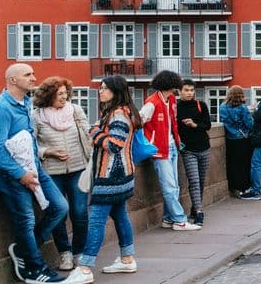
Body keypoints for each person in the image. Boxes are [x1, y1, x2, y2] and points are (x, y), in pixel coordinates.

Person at [0, 63, 69, 284]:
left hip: (34, 169)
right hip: (10, 175)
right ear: (12, 80)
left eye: (32, 74)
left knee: (60, 207)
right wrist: (21, 174)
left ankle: (23, 250)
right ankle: (33, 269)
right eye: (28, 74)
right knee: (26, 221)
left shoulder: (25, 103)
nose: (34, 78)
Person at [64, 76, 141, 283]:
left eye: (105, 89)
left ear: (116, 91)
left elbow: (115, 144)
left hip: (110, 176)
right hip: (122, 174)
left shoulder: (117, 114)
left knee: (96, 220)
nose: (100, 91)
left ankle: (85, 268)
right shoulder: (123, 111)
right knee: (120, 215)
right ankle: (127, 259)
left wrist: (95, 132)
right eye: (100, 88)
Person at [32, 76, 91, 272]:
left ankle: (78, 253)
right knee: (59, 212)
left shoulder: (76, 110)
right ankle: (65, 253)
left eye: (66, 93)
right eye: (59, 94)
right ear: (48, 95)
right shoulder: (37, 116)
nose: (64, 97)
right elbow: (31, 144)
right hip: (51, 172)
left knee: (80, 212)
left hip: (78, 168)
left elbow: (88, 133)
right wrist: (47, 152)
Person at [140, 71, 200, 230]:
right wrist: (149, 142)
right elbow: (139, 121)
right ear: (170, 85)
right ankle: (180, 220)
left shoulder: (171, 99)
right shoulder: (152, 102)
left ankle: (168, 219)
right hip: (160, 149)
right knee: (170, 187)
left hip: (171, 146)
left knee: (174, 187)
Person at [177, 80, 212, 226]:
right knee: (194, 181)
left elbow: (208, 125)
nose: (189, 93)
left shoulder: (201, 105)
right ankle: (199, 211)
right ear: (179, 91)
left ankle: (194, 208)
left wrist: (194, 124)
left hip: (204, 147)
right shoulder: (175, 107)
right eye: (186, 90)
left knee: (201, 181)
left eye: (191, 90)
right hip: (188, 150)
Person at [219, 86, 253, 197]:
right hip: (243, 139)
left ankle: (234, 187)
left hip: (230, 139)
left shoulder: (222, 107)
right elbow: (250, 124)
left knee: (233, 164)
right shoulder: (243, 108)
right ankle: (244, 188)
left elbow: (225, 123)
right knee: (244, 164)